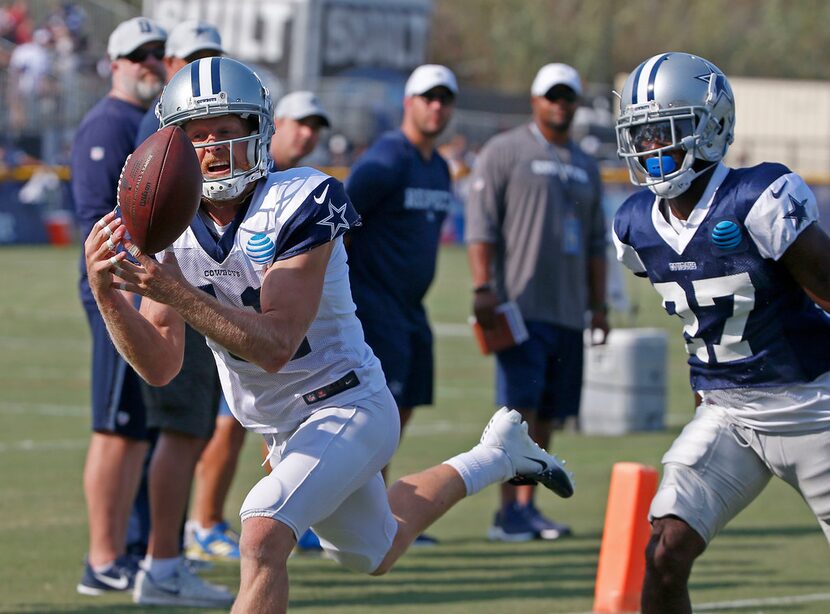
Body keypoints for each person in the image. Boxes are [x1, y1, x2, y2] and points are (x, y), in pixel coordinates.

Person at [83, 57, 574, 614]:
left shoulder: (301, 199)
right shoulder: (171, 226)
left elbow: (276, 346)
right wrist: (109, 296)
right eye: (196, 134)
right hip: (281, 425)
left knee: (263, 532)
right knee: (375, 550)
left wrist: (174, 292)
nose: (212, 147)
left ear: (258, 129)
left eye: (226, 129)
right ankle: (496, 457)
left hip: (347, 402)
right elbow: (162, 365)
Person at [612, 52, 830, 614]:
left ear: (710, 126)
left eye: (664, 130)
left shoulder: (759, 196)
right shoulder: (636, 226)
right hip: (729, 413)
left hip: (813, 403)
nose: (650, 147)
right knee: (664, 551)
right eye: (640, 134)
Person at [186, 89, 333, 559]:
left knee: (372, 548)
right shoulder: (207, 199)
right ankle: (204, 520)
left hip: (279, 348)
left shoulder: (302, 190)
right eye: (300, 122)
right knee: (230, 426)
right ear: (276, 124)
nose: (307, 133)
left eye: (315, 125)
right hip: (236, 340)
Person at [465, 62, 608, 542]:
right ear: (535, 100)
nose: (561, 104)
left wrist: (599, 305)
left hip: (569, 311)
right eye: (553, 95)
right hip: (519, 309)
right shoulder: (506, 151)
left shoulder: (586, 164)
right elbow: (481, 228)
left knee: (549, 413)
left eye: (568, 96)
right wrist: (483, 286)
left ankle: (528, 506)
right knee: (518, 414)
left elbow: (594, 244)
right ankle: (508, 512)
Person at [128, 21, 234, 607]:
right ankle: (162, 563)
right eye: (191, 60)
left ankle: (169, 555)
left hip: (199, 288)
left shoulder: (198, 128)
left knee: (191, 430)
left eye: (210, 59)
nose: (201, 71)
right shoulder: (167, 133)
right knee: (180, 428)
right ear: (172, 62)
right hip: (176, 290)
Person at [70, 16, 166, 596]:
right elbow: (102, 223)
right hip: (114, 292)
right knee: (116, 427)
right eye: (139, 55)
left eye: (158, 53)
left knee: (135, 430)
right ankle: (101, 559)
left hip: (138, 290)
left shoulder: (144, 124)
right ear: (115, 63)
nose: (151, 62)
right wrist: (122, 288)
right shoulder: (106, 123)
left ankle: (124, 549)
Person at [345, 62, 456, 487]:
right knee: (379, 411)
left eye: (445, 100)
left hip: (411, 308)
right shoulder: (385, 159)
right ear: (409, 103)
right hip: (374, 304)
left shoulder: (439, 168)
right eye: (428, 97)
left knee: (403, 406)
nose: (436, 107)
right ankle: (358, 510)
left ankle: (373, 503)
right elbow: (340, 226)